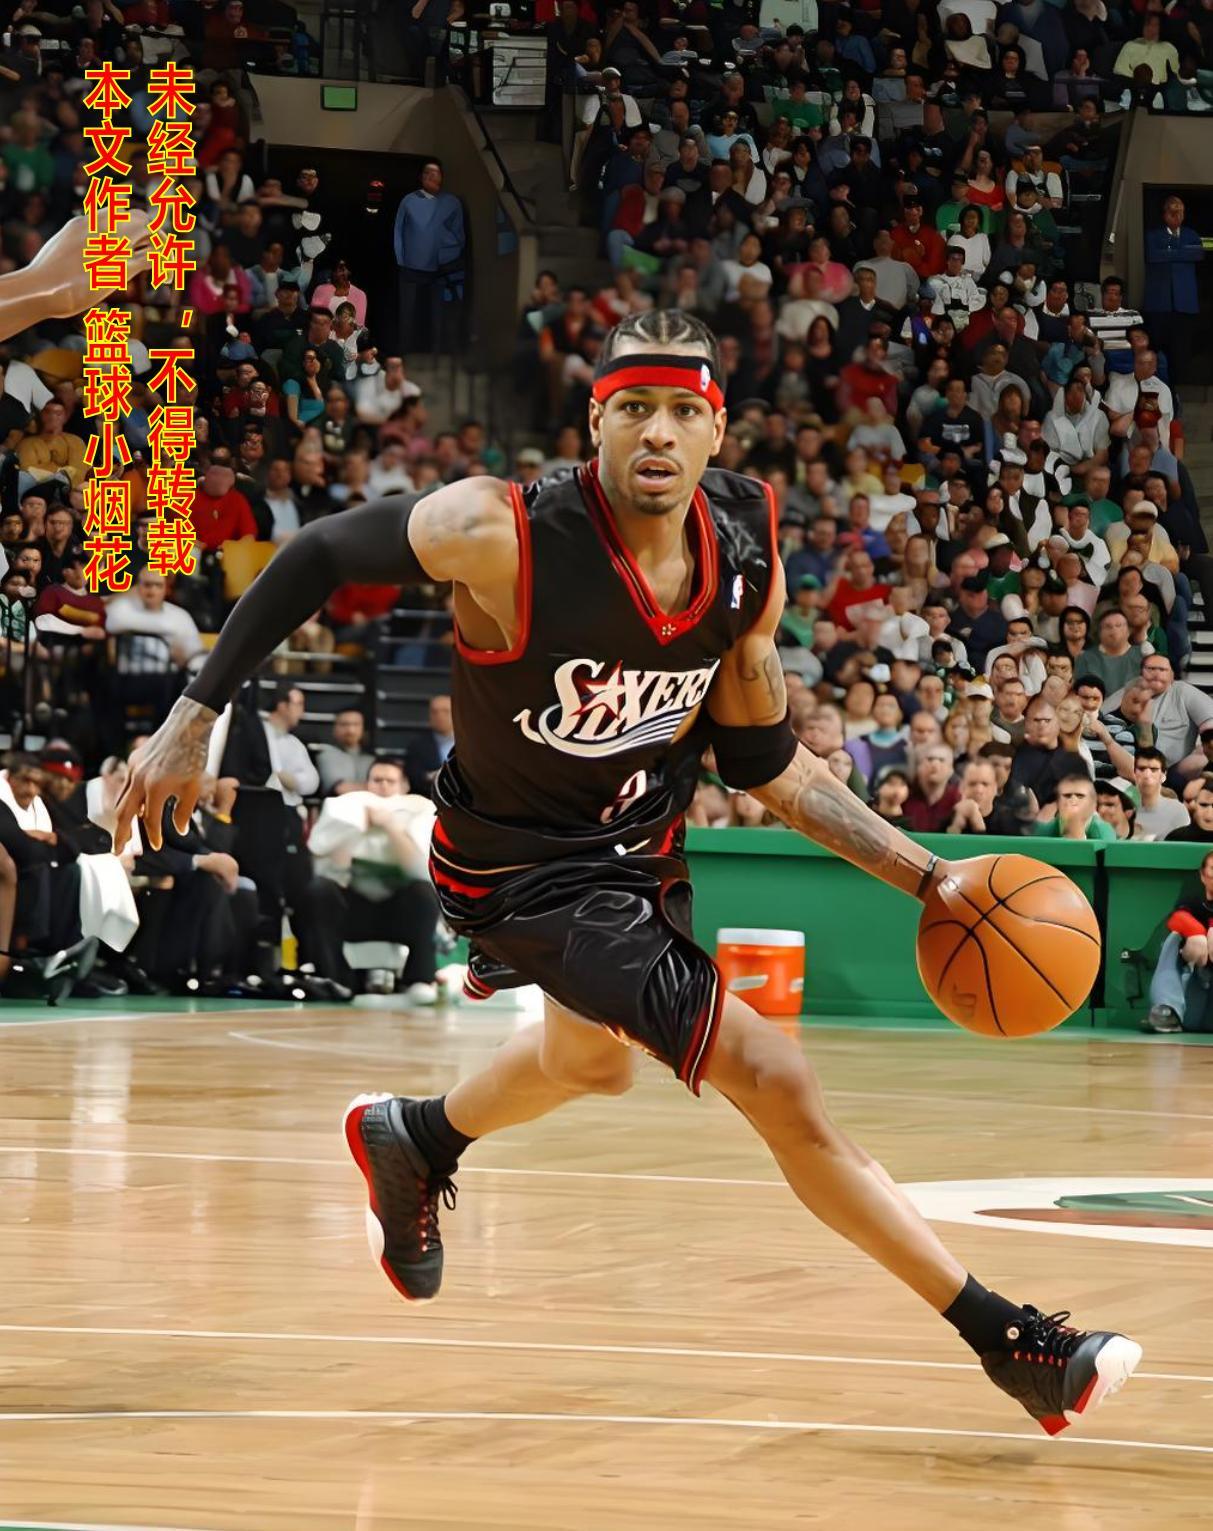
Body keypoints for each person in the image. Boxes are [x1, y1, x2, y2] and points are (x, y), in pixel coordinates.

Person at [114, 309, 1139, 1433]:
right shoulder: (498, 530)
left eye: (683, 411)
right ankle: (1008, 1341)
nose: (658, 431)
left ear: (716, 431)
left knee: (589, 1065)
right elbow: (316, 552)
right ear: (594, 420)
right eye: (634, 408)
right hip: (518, 867)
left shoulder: (745, 550)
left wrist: (928, 876)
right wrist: (194, 716)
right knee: (775, 1077)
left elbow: (764, 761)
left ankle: (414, 1136)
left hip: (637, 850)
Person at [393, 160, 466, 354]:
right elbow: (398, 231)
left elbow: (459, 235)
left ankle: (436, 350)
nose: (431, 176)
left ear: (442, 177)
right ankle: (405, 351)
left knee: (438, 311)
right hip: (410, 266)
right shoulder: (408, 201)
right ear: (421, 177)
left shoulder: (452, 203)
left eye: (436, 172)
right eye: (427, 172)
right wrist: (401, 260)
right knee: (407, 311)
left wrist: (447, 257)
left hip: (441, 267)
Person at [1143, 852, 1213, 1034]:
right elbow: (1176, 918)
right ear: (1203, 875)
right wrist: (1197, 933)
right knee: (1174, 937)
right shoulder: (1194, 901)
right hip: (1196, 999)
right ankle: (1168, 1011)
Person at [1031, 771, 1114, 842]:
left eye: (1080, 796)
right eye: (1067, 796)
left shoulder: (1103, 832)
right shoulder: (1043, 831)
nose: (1073, 800)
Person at [1131, 747, 1190, 840]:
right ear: (1134, 773)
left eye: (1153, 769)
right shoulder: (1122, 807)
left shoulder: (1177, 810)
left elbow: (1182, 845)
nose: (1147, 775)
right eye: (1142, 769)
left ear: (1163, 775)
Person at [313, 708, 375, 796]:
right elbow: (341, 789)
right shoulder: (326, 754)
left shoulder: (371, 759)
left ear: (363, 728)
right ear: (334, 728)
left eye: (356, 724)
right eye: (344, 724)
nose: (350, 730)